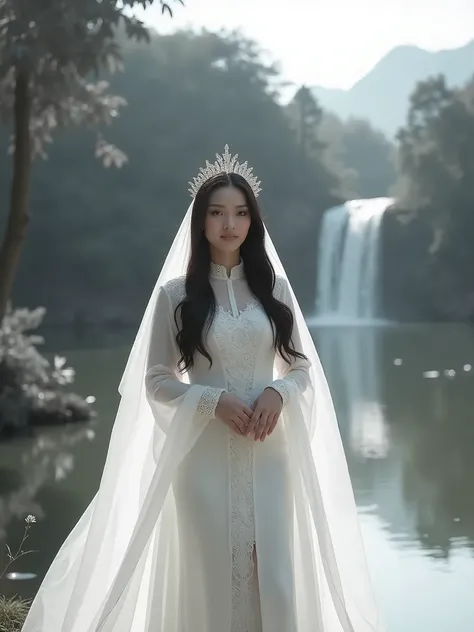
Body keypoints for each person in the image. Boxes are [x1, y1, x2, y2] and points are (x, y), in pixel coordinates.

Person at [21, 146, 383, 632]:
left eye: (239, 213)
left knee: (272, 574)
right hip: (203, 456)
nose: (228, 224)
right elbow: (155, 379)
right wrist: (211, 401)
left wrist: (278, 394)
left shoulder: (274, 290)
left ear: (253, 222)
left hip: (269, 451)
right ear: (201, 221)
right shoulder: (176, 295)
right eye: (217, 213)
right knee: (212, 574)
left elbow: (299, 367)